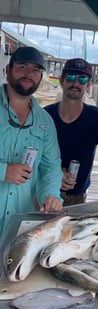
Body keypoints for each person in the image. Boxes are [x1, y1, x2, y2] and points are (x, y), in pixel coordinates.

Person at [0, 46, 63, 239]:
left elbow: (51, 167)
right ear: (8, 70)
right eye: (22, 67)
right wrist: (3, 171)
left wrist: (51, 196)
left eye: (36, 70)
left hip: (20, 224)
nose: (29, 74)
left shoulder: (45, 121)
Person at [45, 58, 98, 206]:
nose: (75, 83)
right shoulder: (45, 116)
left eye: (82, 79)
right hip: (43, 191)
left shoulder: (97, 117)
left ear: (88, 85)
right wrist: (56, 173)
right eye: (70, 78)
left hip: (76, 198)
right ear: (62, 80)